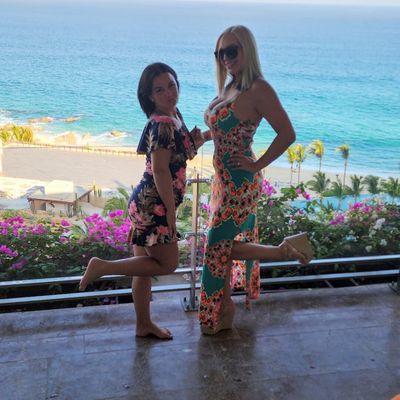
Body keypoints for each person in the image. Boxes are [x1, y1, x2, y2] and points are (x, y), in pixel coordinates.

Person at [199, 25, 314, 335]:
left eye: (231, 51)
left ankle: (282, 251)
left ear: (247, 50)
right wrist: (204, 137)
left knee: (216, 246)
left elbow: (287, 134)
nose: (225, 58)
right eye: (220, 53)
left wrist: (257, 164)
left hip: (240, 182)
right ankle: (224, 309)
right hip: (223, 181)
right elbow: (227, 128)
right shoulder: (232, 84)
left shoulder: (259, 89)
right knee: (221, 247)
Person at [79, 62, 206, 340]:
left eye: (171, 85)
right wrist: (170, 212)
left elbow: (179, 156)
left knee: (143, 270)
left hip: (144, 202)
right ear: (149, 96)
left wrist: (204, 138)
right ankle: (103, 267)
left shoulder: (173, 115)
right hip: (154, 206)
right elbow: (160, 171)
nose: (169, 93)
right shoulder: (162, 124)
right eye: (159, 90)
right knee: (168, 264)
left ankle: (143, 324)